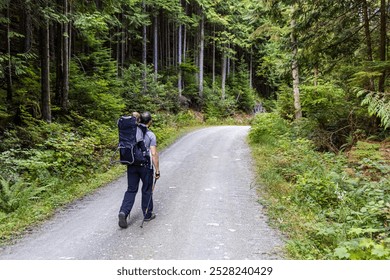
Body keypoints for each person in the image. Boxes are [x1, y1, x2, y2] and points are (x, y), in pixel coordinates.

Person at [118, 111, 160, 228]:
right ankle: (147, 214)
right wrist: (157, 170)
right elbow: (154, 153)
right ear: (150, 122)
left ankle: (123, 212)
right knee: (146, 189)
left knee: (131, 190)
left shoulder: (131, 131)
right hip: (145, 166)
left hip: (131, 164)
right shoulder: (150, 135)